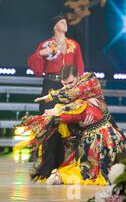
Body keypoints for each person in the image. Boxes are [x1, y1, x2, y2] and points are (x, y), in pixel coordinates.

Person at [17, 65, 126, 185]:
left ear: (78, 77)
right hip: (86, 133)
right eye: (65, 84)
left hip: (105, 128)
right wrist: (59, 113)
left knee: (104, 164)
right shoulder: (74, 98)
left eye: (71, 82)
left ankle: (61, 175)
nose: (69, 86)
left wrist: (52, 103)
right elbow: (70, 106)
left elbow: (72, 94)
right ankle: (58, 173)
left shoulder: (89, 81)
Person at [27, 15, 84, 172]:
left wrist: (79, 87)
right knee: (50, 122)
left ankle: (69, 161)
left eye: (65, 21)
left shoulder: (74, 44)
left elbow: (79, 67)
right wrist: (40, 54)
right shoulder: (46, 44)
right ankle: (48, 162)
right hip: (51, 84)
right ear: (55, 26)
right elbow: (36, 68)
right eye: (61, 21)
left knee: (70, 122)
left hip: (69, 86)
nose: (65, 23)